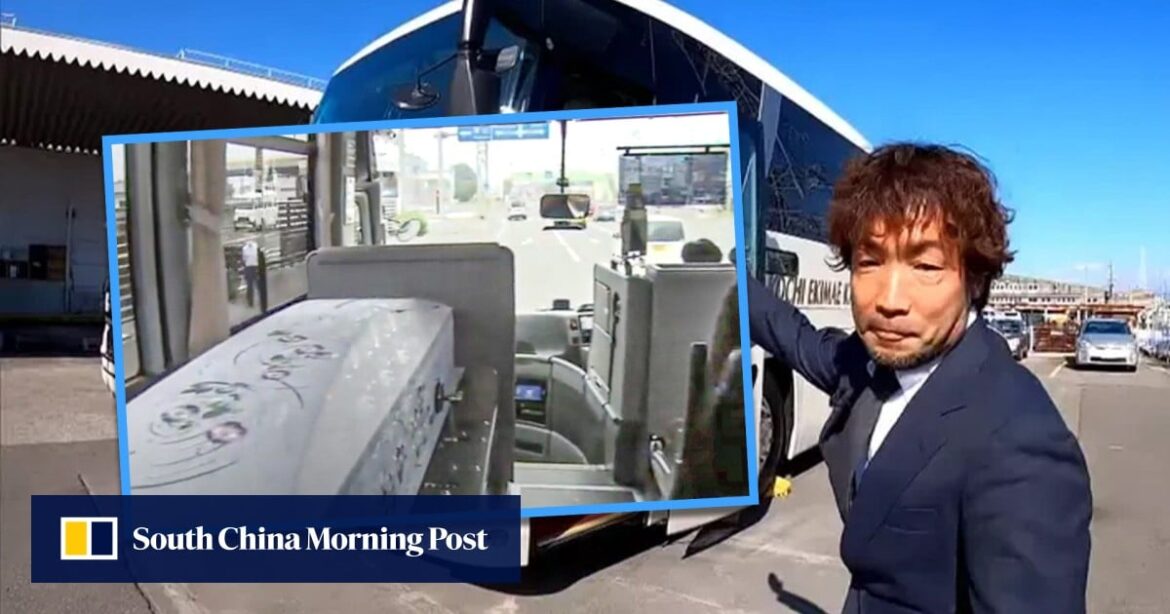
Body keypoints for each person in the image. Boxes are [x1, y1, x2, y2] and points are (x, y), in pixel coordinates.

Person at [746, 143, 1092, 613]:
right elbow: (795, 337)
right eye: (869, 262)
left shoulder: (1019, 437)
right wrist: (721, 274)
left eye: (926, 266)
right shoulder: (868, 365)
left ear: (974, 280)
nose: (890, 300)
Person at [241, 239, 260, 308]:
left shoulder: (246, 248)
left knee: (252, 285)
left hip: (251, 267)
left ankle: (251, 301)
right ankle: (251, 301)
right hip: (251, 267)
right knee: (252, 285)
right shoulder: (246, 248)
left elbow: (244, 259)